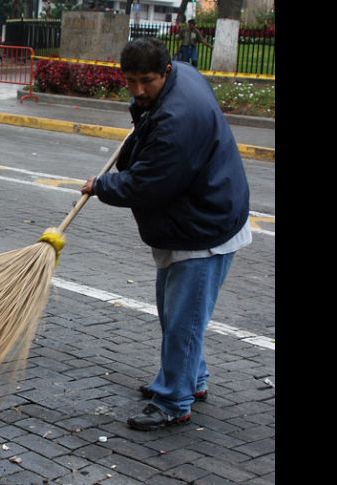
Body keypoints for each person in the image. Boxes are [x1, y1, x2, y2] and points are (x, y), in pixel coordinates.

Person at [79, 37, 251, 431]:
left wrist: (101, 186)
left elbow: (146, 184)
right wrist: (144, 118)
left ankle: (174, 400)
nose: (139, 90)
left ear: (166, 72)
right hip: (199, 217)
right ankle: (193, 379)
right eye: (132, 81)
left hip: (204, 229)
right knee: (177, 315)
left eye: (148, 82)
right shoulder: (180, 80)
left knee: (182, 322)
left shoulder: (176, 121)